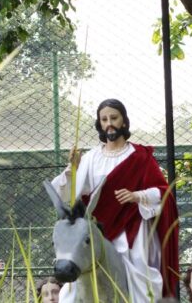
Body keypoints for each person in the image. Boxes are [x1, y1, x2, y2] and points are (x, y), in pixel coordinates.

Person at [51, 99, 180, 301]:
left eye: (114, 118)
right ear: (100, 124)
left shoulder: (140, 156)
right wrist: (72, 169)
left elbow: (164, 192)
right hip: (96, 232)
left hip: (130, 230)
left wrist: (137, 195)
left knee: (139, 272)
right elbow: (68, 195)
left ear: (124, 122)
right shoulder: (91, 157)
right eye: (104, 119)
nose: (109, 123)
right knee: (77, 283)